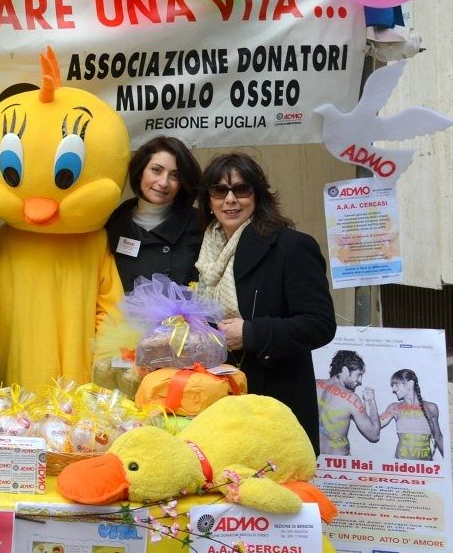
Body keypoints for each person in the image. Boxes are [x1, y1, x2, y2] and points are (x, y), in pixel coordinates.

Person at [194, 152, 336, 454]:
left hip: (275, 403)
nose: (230, 200)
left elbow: (320, 324)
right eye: (219, 191)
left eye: (241, 189)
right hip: (217, 404)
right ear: (208, 199)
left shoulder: (291, 247)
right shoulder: (203, 252)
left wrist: (251, 333)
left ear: (257, 194)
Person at [106, 136, 202, 290]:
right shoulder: (113, 222)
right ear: (140, 172)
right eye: (156, 170)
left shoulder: (199, 224)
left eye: (175, 175)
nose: (163, 183)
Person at [316, 350, 380, 455]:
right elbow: (374, 435)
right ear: (345, 370)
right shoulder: (351, 398)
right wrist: (371, 401)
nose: (360, 381)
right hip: (338, 461)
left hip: (313, 458)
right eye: (359, 374)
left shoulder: (312, 384)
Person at [379, 369, 445, 460]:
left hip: (426, 466)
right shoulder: (394, 407)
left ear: (410, 384)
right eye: (393, 385)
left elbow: (438, 437)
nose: (393, 389)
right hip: (402, 465)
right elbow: (374, 426)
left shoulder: (431, 408)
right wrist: (370, 402)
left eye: (396, 384)